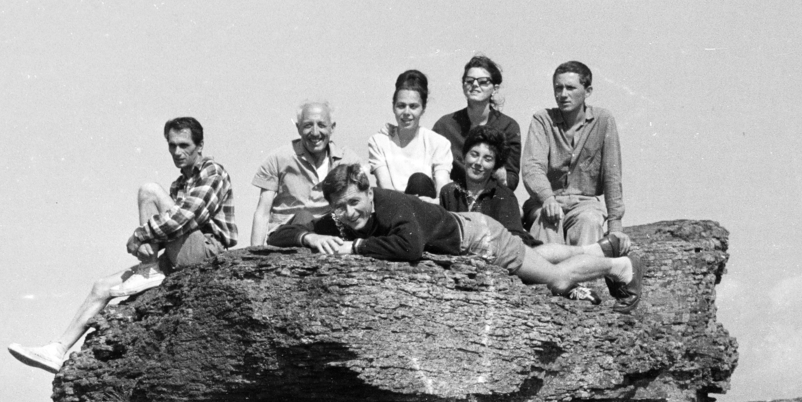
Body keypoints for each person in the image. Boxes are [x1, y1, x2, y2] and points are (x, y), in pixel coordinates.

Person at [8, 116, 236, 373]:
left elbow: (187, 218)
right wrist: (144, 242)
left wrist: (141, 234)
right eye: (172, 145)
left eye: (184, 145)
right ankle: (57, 349)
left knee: (149, 190)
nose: (177, 151)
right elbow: (168, 230)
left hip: (204, 251)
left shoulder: (213, 172)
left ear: (200, 145)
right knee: (102, 286)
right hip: (178, 252)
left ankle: (150, 269)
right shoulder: (179, 184)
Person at [267, 163, 642, 307]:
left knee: (556, 281)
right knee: (542, 258)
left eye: (354, 202)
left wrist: (356, 247)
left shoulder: (392, 204)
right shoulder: (339, 217)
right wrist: (308, 238)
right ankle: (603, 255)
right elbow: (277, 235)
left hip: (481, 240)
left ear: (368, 192)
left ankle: (618, 266)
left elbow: (409, 247)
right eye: (339, 208)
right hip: (467, 228)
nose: (349, 214)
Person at [521, 60, 623, 247]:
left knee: (590, 221)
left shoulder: (603, 120)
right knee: (547, 221)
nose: (563, 95)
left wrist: (615, 224)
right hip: (546, 201)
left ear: (588, 91)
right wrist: (548, 198)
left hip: (585, 203)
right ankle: (547, 274)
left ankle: (587, 275)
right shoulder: (542, 120)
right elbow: (532, 167)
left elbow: (612, 174)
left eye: (570, 88)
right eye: (558, 88)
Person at [248, 100, 359, 244]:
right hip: (287, 238)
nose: (315, 132)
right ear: (298, 128)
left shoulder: (347, 160)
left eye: (321, 125)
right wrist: (255, 254)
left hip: (329, 235)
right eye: (308, 125)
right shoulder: (279, 159)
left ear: (332, 127)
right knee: (304, 216)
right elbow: (263, 211)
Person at [432, 55, 522, 192]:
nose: (475, 85)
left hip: (490, 198)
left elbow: (512, 180)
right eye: (469, 81)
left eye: (483, 81)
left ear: (495, 88)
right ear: (463, 86)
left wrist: (499, 173)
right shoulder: (444, 126)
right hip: (453, 198)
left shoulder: (509, 126)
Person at [366, 69, 453, 199]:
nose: (406, 112)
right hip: (394, 208)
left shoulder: (439, 143)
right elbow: (387, 190)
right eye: (401, 106)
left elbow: (442, 191)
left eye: (413, 106)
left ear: (423, 108)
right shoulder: (378, 142)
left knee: (419, 181)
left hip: (427, 209)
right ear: (393, 107)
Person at [438, 126, 522, 236]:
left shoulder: (505, 196)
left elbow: (514, 240)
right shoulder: (448, 192)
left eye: (487, 159)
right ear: (464, 156)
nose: (478, 163)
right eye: (474, 154)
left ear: (495, 166)